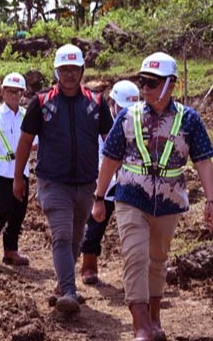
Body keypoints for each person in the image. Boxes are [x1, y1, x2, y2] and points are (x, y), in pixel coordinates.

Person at [92, 52, 213, 341]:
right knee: (135, 256)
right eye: (142, 82)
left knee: (157, 259)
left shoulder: (189, 120)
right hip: (129, 197)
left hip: (169, 201)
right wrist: (99, 197)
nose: (145, 89)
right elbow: (110, 159)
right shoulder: (127, 117)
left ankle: (154, 317)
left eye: (152, 83)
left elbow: (203, 161)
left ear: (170, 84)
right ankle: (141, 327)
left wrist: (211, 202)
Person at [13, 44, 114, 317]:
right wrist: (18, 177)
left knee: (77, 237)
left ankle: (62, 284)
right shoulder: (42, 102)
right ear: (56, 72)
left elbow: (112, 140)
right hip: (52, 182)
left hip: (85, 183)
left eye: (74, 69)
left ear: (82, 70)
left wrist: (119, 175)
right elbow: (24, 142)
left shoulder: (96, 102)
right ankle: (69, 291)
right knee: (62, 234)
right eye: (64, 70)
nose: (69, 74)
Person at [79, 79, 140, 284]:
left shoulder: (140, 126)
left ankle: (138, 273)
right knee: (95, 225)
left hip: (131, 184)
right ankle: (89, 265)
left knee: (136, 230)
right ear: (112, 104)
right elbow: (99, 158)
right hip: (105, 184)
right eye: (121, 107)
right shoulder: (100, 127)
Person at [0, 72, 35, 265]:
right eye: (9, 91)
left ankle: (11, 249)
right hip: (0, 170)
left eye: (17, 92)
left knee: (19, 211)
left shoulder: (27, 116)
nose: (13, 95)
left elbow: (35, 141)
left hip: (22, 170)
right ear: (2, 92)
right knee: (4, 206)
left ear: (22, 94)